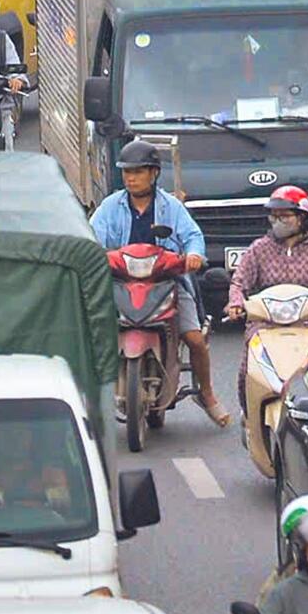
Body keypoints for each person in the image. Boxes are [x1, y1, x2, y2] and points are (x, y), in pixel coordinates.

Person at [90, 140, 228, 425]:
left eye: (138, 171)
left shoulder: (171, 207)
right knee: (90, 333)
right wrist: (92, 254)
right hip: (120, 284)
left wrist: (194, 255)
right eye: (127, 172)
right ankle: (88, 399)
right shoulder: (110, 207)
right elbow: (91, 236)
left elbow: (192, 236)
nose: (131, 178)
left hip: (166, 282)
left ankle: (207, 394)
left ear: (153, 173)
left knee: (195, 339)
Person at [225, 187, 308, 337]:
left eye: (284, 216)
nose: (278, 222)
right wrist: (235, 303)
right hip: (264, 324)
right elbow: (239, 283)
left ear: (302, 218)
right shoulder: (259, 248)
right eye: (274, 216)